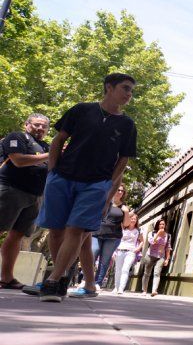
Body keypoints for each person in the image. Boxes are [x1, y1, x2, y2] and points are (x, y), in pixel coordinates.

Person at [36, 73, 138, 302]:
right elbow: (58, 140)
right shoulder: (81, 110)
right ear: (109, 88)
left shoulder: (127, 125)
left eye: (131, 90)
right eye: (125, 88)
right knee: (55, 230)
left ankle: (53, 281)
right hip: (62, 177)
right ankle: (60, 275)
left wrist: (108, 191)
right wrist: (52, 174)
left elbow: (123, 161)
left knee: (76, 230)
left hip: (96, 184)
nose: (129, 94)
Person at [0, 113, 50, 290]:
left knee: (17, 235)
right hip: (10, 190)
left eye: (44, 126)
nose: (40, 128)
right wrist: (50, 156)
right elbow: (18, 160)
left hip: (35, 196)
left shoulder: (46, 146)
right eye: (36, 124)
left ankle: (6, 278)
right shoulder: (17, 137)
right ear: (27, 124)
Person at [91, 184, 130, 289]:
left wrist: (126, 212)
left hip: (113, 237)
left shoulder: (124, 207)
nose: (120, 192)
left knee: (105, 260)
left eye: (122, 191)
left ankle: (97, 283)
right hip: (96, 233)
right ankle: (87, 280)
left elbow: (126, 225)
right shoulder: (105, 202)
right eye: (118, 190)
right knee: (93, 253)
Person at [112, 211, 143, 294]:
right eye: (131, 218)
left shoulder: (138, 230)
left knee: (125, 269)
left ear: (137, 221)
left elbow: (142, 241)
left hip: (131, 252)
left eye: (135, 219)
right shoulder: (123, 227)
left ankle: (121, 288)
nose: (133, 220)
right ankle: (116, 287)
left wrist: (138, 249)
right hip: (120, 250)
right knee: (118, 269)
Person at [141, 218, 172, 296]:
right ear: (157, 225)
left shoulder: (168, 235)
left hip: (161, 257)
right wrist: (158, 234)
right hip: (150, 255)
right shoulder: (151, 233)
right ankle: (144, 290)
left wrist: (167, 259)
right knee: (146, 273)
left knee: (157, 273)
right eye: (160, 224)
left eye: (163, 224)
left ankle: (154, 290)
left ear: (165, 225)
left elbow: (168, 247)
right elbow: (152, 242)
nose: (161, 226)